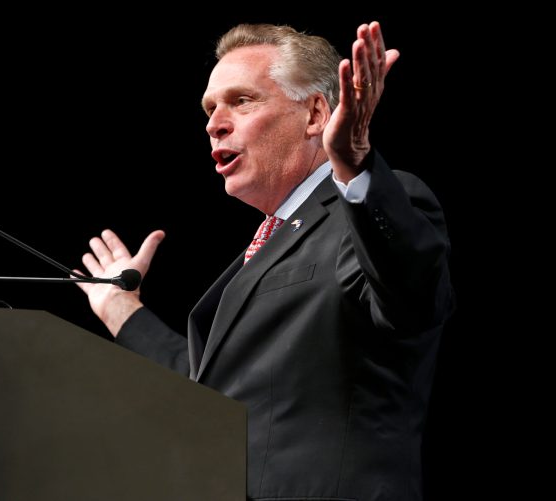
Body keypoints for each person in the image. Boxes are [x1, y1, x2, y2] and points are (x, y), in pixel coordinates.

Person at [75, 21, 454, 501]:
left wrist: (357, 168)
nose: (214, 122)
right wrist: (119, 309)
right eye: (210, 109)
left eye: (241, 100)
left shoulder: (378, 204)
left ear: (316, 113)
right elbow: (209, 390)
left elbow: (413, 297)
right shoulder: (267, 246)